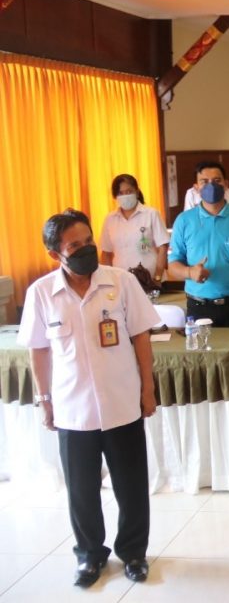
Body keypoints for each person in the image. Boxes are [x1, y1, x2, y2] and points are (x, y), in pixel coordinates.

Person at [19, 209, 158, 587]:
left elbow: (141, 336)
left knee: (131, 485)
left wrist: (147, 389)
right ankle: (89, 555)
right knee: (81, 490)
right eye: (74, 245)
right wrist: (44, 399)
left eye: (88, 241)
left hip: (121, 402)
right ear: (55, 254)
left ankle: (133, 552)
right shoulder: (42, 293)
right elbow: (38, 350)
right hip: (71, 408)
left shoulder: (121, 281)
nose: (85, 249)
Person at [168, 161, 229, 327]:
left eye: (217, 181)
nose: (211, 186)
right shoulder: (184, 220)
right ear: (196, 187)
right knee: (202, 353)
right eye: (204, 181)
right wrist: (190, 272)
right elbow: (173, 265)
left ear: (226, 185)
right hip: (199, 306)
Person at [99, 174, 169, 284]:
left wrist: (157, 277)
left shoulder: (151, 214)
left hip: (150, 280)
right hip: (121, 281)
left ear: (136, 191)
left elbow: (163, 247)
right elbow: (106, 253)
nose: (125, 196)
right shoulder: (110, 219)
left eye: (128, 191)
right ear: (115, 196)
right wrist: (108, 280)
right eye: (120, 193)